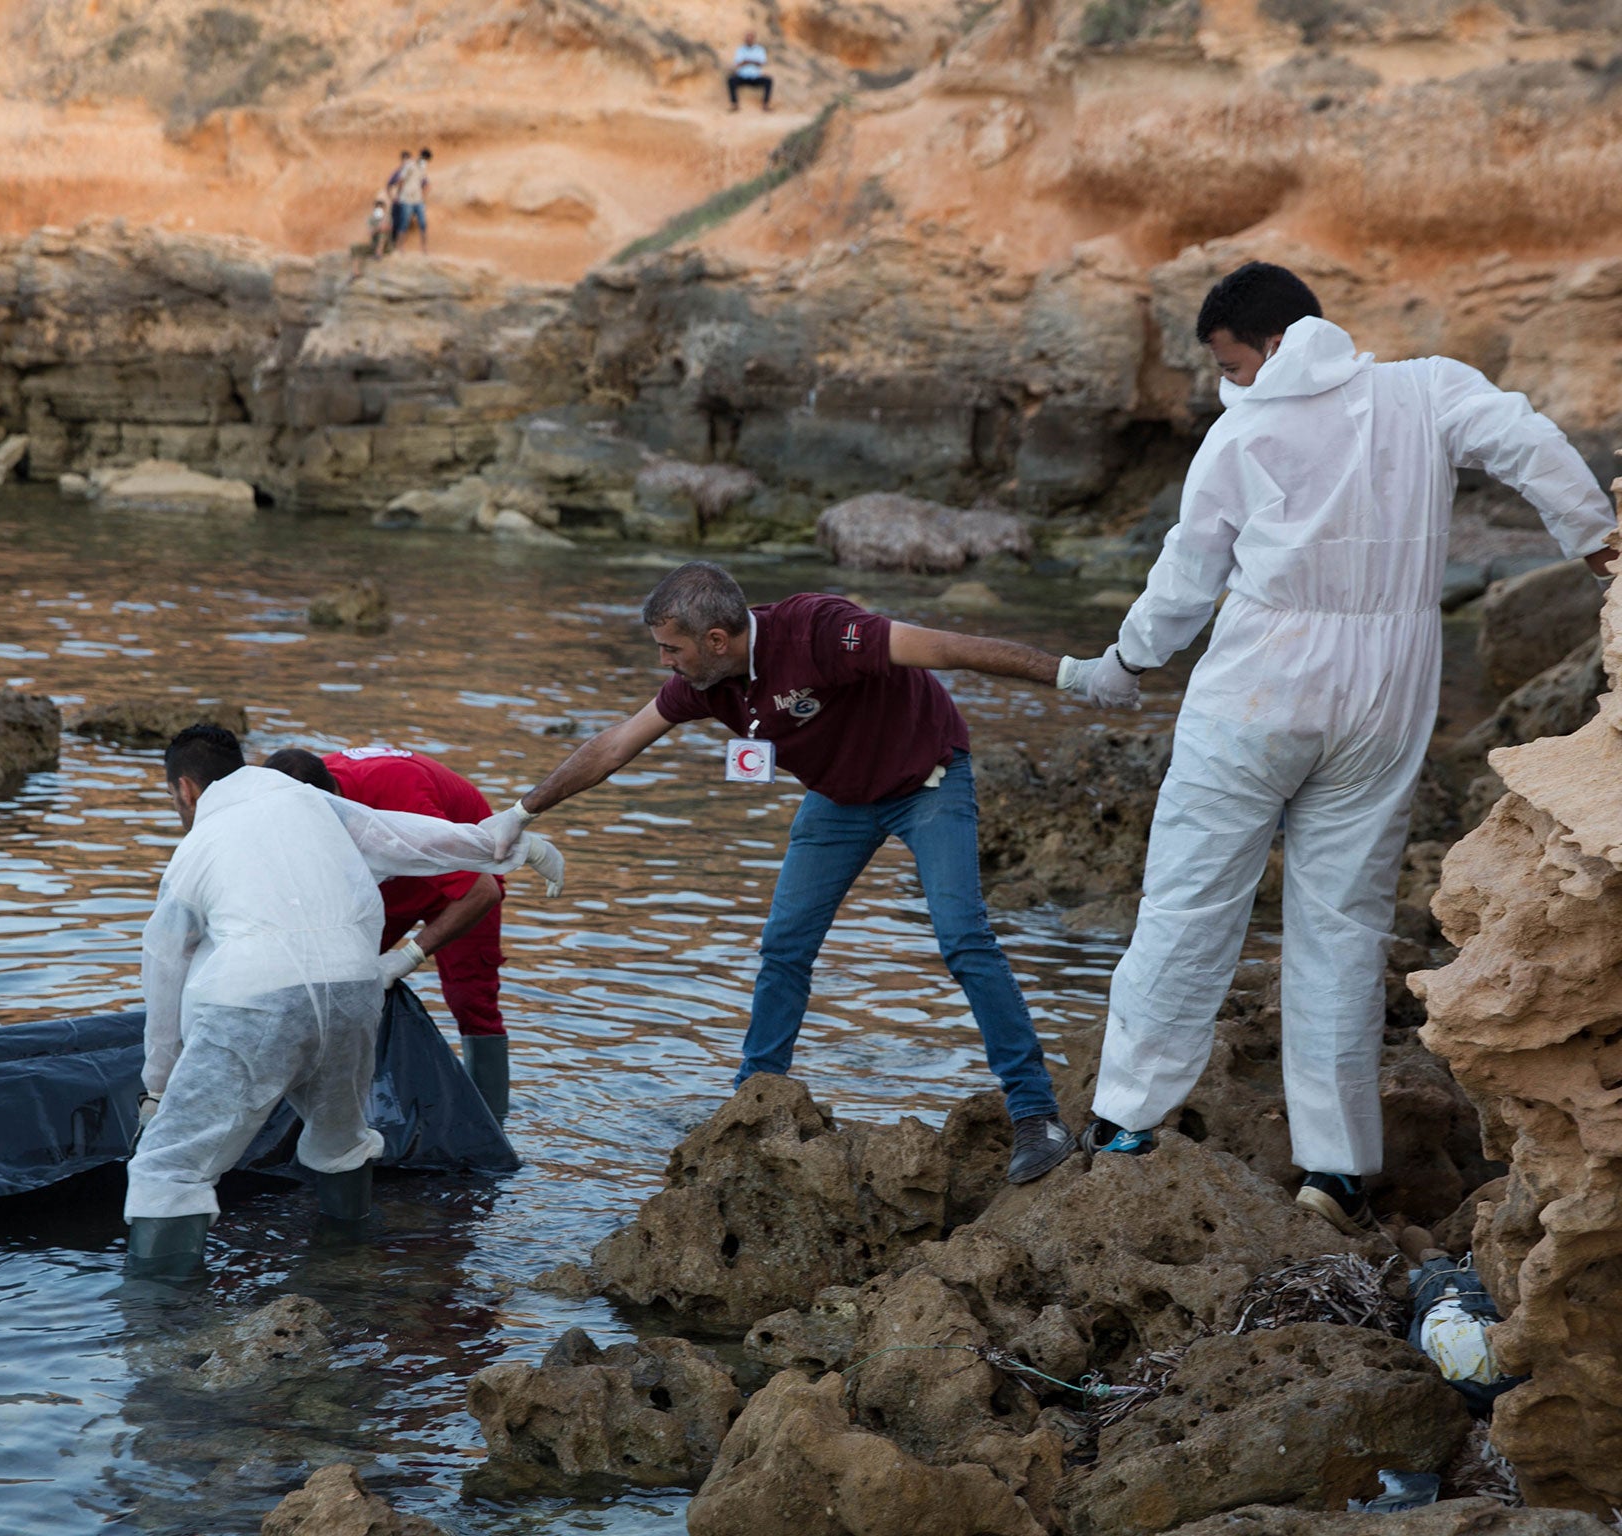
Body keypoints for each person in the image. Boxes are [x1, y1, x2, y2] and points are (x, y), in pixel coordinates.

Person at [1083, 260, 1620, 1234]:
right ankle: (1330, 1174)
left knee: (1186, 909)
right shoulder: (1423, 389)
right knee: (1339, 928)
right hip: (1381, 704)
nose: (1227, 382)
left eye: (1230, 361)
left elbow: (1183, 578)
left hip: (1253, 700)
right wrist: (1591, 537)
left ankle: (1124, 1121)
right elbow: (1525, 437)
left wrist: (1126, 657)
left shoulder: (1242, 433)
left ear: (1272, 342)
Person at [475, 562, 1130, 1186]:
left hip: (926, 779)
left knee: (962, 937)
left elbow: (948, 647)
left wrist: (1075, 675)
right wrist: (520, 812)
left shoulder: (821, 631)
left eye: (671, 650)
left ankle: (1037, 1117)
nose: (664, 663)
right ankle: (753, 1106)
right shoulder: (706, 684)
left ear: (716, 639)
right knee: (784, 947)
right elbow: (614, 744)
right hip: (840, 799)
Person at [125, 725, 563, 1280]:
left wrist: (157, 1087)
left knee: (170, 1169)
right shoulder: (312, 800)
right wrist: (518, 847)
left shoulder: (195, 849)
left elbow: (164, 969)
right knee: (342, 1140)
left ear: (186, 790)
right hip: (356, 988)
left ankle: (156, 1320)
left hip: (254, 1004)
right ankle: (349, 1269)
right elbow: (409, 838)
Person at [264, 746, 514, 1123]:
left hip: (461, 874)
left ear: (333, 803)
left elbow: (482, 893)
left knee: (471, 1000)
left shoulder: (403, 802)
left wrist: (407, 957)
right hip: (386, 877)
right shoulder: (285, 793)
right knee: (333, 980)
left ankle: (493, 1126)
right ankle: (317, 1107)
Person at [390, 148, 430, 252]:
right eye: (424, 158)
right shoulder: (409, 165)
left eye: (426, 160)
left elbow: (426, 183)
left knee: (423, 224)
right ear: (420, 155)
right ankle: (400, 247)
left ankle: (424, 248)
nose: (424, 161)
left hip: (417, 200)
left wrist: (423, 197)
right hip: (406, 199)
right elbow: (400, 180)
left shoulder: (423, 168)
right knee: (404, 224)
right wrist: (398, 195)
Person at [729, 31, 772, 110]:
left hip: (755, 77)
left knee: (768, 80)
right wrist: (751, 61)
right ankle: (735, 104)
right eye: (747, 38)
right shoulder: (740, 49)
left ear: (753, 39)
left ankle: (765, 104)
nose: (749, 40)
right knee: (731, 80)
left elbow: (762, 62)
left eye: (750, 38)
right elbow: (738, 63)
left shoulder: (759, 49)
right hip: (743, 77)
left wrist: (747, 61)